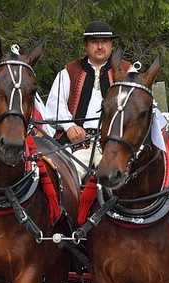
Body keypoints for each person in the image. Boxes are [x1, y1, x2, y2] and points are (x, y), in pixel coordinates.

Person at [45, 21, 128, 182]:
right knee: (65, 177)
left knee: (121, 181)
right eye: (94, 42)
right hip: (79, 143)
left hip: (116, 144)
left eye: (104, 42)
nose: (100, 47)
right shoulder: (69, 72)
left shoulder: (127, 71)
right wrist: (69, 127)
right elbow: (55, 105)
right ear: (86, 44)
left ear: (110, 44)